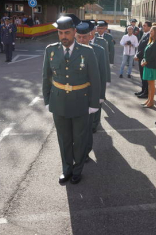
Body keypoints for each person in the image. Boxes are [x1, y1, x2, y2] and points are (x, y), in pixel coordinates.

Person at [42, 14, 100, 184]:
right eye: (60, 33)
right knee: (64, 139)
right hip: (59, 102)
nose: (63, 37)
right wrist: (47, 100)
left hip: (81, 101)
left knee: (80, 139)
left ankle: (77, 169)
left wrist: (94, 104)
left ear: (74, 32)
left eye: (67, 33)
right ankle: (66, 169)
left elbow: (95, 79)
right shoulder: (51, 50)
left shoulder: (87, 52)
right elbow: (46, 77)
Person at [75, 20, 106, 162]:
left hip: (89, 96)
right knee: (75, 129)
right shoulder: (70, 50)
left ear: (90, 36)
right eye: (79, 37)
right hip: (73, 96)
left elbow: (102, 75)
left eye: (84, 37)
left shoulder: (99, 51)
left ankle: (85, 152)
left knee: (87, 128)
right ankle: (77, 151)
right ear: (75, 36)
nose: (82, 40)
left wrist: (100, 97)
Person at [141, 25, 156, 108]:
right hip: (147, 64)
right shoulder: (151, 41)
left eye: (152, 31)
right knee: (149, 84)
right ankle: (149, 100)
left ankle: (151, 101)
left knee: (151, 84)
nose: (150, 32)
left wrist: (145, 62)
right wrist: (143, 60)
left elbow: (154, 56)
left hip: (151, 66)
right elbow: (146, 53)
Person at [134, 21, 151, 98]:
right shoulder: (144, 34)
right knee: (142, 75)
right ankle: (143, 90)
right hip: (140, 58)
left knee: (144, 77)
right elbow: (140, 46)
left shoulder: (150, 36)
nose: (143, 27)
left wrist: (137, 55)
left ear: (149, 27)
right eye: (143, 25)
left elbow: (145, 48)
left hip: (144, 59)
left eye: (145, 26)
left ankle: (146, 92)